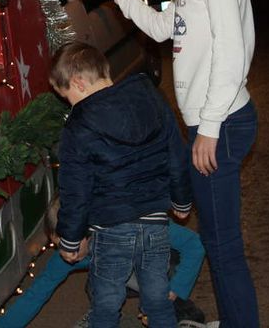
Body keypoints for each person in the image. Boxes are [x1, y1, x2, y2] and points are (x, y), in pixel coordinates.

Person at [77, 0, 259, 327]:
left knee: (223, 248)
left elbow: (232, 51)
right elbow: (163, 28)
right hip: (212, 120)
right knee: (220, 244)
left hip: (221, 122)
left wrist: (210, 128)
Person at [51, 42, 192, 328]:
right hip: (155, 223)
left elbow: (75, 189)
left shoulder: (78, 125)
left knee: (106, 303)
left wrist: (69, 237)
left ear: (78, 83)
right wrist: (182, 199)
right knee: (157, 299)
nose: (69, 104)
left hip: (111, 227)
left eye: (66, 97)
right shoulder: (150, 96)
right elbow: (175, 151)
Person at [0, 197, 206, 328]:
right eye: (58, 246)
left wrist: (172, 291)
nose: (66, 255)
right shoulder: (70, 251)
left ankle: (184, 313)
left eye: (71, 247)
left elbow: (194, 245)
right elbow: (35, 294)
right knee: (96, 287)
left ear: (90, 232)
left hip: (162, 259)